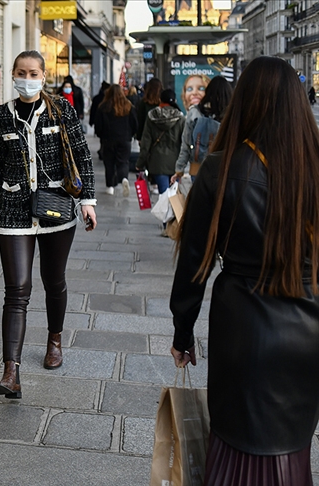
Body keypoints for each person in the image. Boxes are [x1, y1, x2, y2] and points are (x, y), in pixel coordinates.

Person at [170, 56, 319, 485]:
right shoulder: (314, 168)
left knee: (236, 452)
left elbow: (195, 263)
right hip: (308, 335)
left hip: (244, 331)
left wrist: (183, 333)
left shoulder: (221, 169)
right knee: (291, 452)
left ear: (245, 102)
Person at [0, 50, 97, 398]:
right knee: (16, 289)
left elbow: (82, 155)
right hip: (14, 209)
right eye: (21, 72)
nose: (27, 78)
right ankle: (11, 373)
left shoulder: (61, 110)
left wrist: (88, 202)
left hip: (56, 208)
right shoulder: (2, 116)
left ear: (43, 75)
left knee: (54, 280)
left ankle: (55, 340)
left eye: (33, 72)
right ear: (12, 73)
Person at [172, 76, 233, 185]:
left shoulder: (195, 112)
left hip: (198, 168)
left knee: (200, 201)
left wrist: (179, 170)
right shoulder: (232, 116)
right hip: (225, 169)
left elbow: (186, 143)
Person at [136, 89, 184, 196]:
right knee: (174, 195)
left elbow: (146, 143)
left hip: (157, 162)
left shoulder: (152, 116)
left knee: (164, 195)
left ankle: (166, 211)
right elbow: (184, 143)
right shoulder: (180, 118)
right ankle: (171, 212)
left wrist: (140, 163)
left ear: (160, 100)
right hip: (175, 163)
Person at [94, 85, 137, 196]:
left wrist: (101, 135)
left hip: (108, 139)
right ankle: (123, 178)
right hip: (124, 139)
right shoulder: (128, 106)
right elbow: (134, 123)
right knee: (123, 162)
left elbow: (98, 125)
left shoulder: (103, 107)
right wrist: (130, 135)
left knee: (109, 163)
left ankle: (110, 187)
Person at [136, 78, 162, 143]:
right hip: (161, 136)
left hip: (146, 136)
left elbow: (140, 120)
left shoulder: (143, 102)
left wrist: (139, 137)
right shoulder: (163, 102)